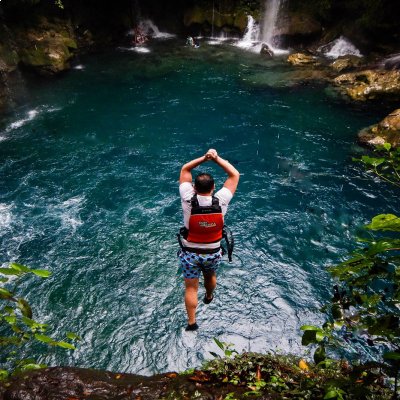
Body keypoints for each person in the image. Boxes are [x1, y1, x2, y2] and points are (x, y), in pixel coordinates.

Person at [178, 149, 240, 331]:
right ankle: (209, 296)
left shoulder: (187, 197)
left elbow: (185, 170)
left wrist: (203, 158)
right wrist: (216, 158)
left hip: (190, 252)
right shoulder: (221, 200)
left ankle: (192, 323)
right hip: (212, 251)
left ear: (194, 188)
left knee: (190, 288)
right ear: (213, 188)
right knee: (211, 275)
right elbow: (234, 174)